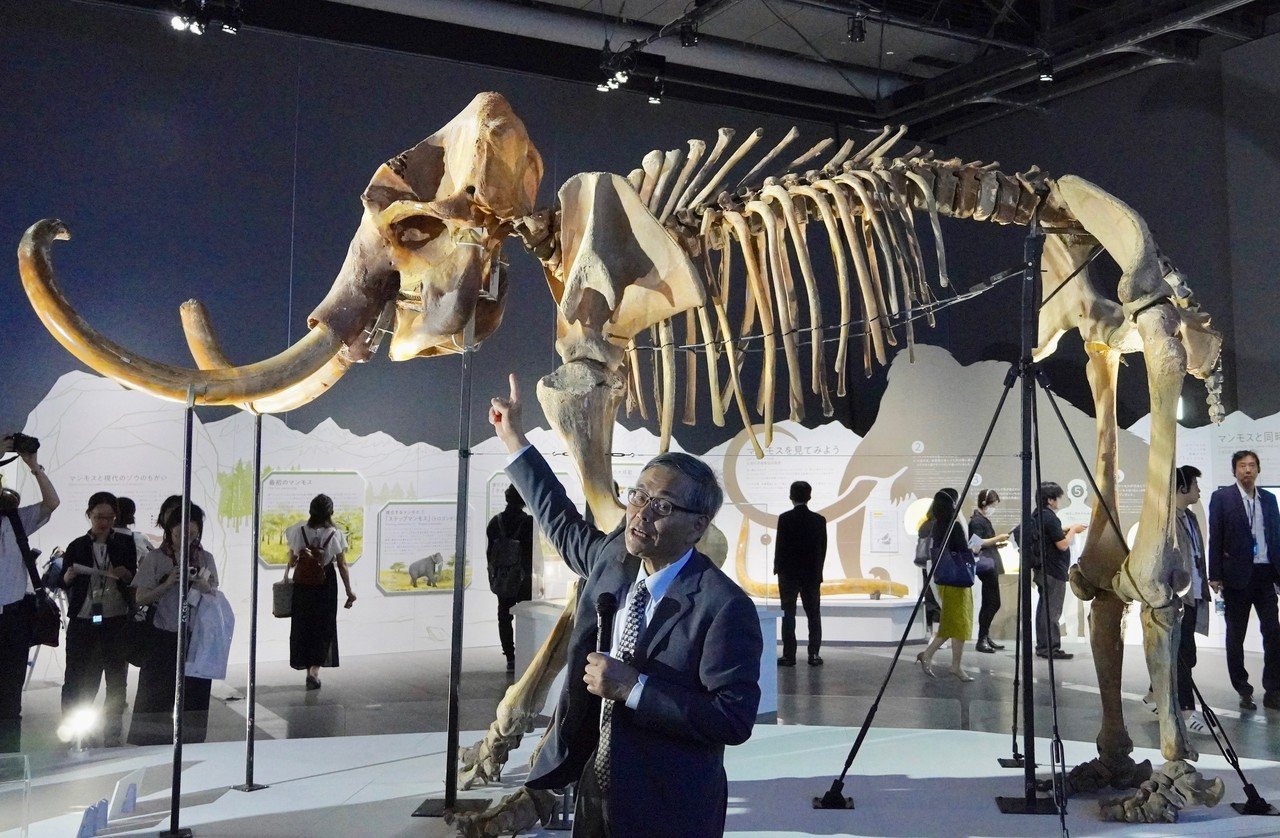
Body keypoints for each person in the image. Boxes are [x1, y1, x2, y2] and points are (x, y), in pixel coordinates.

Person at [489, 374, 762, 837]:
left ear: (698, 527)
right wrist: (513, 438)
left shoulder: (724, 607)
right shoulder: (613, 560)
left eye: (663, 506)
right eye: (639, 496)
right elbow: (559, 520)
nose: (641, 514)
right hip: (595, 792)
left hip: (668, 808)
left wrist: (635, 689)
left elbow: (732, 719)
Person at [129, 503, 218, 745]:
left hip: (195, 639)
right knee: (155, 697)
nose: (186, 539)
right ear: (170, 530)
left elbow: (214, 595)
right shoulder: (156, 558)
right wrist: (167, 583)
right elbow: (140, 598)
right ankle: (149, 747)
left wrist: (204, 585)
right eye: (180, 534)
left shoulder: (205, 558)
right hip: (163, 637)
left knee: (195, 698)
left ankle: (191, 747)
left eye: (192, 534)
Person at [60, 491, 137, 746]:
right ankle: (74, 729)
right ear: (89, 515)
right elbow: (62, 580)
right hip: (84, 617)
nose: (104, 522)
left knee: (116, 678)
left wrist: (125, 574)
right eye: (98, 516)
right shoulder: (77, 545)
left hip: (115, 617)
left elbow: (133, 578)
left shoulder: (124, 544)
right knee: (79, 677)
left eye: (109, 517)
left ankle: (112, 729)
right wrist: (68, 577)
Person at [1208, 450, 1280, 711]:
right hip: (1236, 577)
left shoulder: (1269, 499)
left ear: (1258, 469)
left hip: (1265, 574)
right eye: (1242, 466)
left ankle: (1273, 689)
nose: (1247, 470)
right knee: (1235, 636)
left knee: (1273, 633)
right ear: (1234, 470)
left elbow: (1276, 537)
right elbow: (1215, 536)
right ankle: (1243, 688)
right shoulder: (1222, 498)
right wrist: (1215, 574)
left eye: (1251, 465)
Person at [0, 440, 60, 753]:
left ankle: (8, 760)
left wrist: (33, 466)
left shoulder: (16, 519)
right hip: (11, 615)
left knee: (10, 696)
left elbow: (51, 503)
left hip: (13, 616)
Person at [1143, 466, 1211, 732]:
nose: (1198, 490)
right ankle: (1186, 711)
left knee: (1180, 652)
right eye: (1195, 485)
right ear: (1182, 488)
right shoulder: (1165, 520)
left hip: (1192, 594)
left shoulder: (1189, 518)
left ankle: (1154, 694)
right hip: (1175, 597)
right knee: (1183, 654)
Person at [285, 494, 356, 690]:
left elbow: (292, 560)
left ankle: (308, 668)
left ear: (311, 511)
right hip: (326, 584)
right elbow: (342, 564)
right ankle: (314, 671)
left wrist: (299, 559)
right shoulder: (335, 534)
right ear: (330, 512)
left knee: (304, 626)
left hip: (303, 586)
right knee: (324, 627)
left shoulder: (299, 531)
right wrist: (349, 591)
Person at [915, 489, 976, 682]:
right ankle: (933, 656)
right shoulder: (953, 526)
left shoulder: (935, 526)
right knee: (957, 622)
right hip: (957, 580)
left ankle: (952, 664)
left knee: (955, 622)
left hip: (944, 579)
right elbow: (964, 549)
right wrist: (975, 549)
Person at [774, 480, 828, 666]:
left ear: (791, 496)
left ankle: (789, 655)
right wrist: (818, 572)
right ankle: (814, 654)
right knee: (814, 615)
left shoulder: (785, 518)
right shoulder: (819, 520)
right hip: (811, 575)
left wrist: (777, 568)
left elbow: (780, 547)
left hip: (788, 575)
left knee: (788, 614)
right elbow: (822, 549)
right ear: (809, 497)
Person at [1030, 482, 1086, 661]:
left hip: (1042, 569)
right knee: (1052, 611)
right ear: (1050, 500)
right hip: (1053, 571)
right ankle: (1051, 648)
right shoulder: (1050, 518)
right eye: (1056, 498)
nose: (1058, 502)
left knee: (1043, 609)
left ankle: (1043, 646)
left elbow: (1049, 534)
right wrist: (1073, 531)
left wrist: (1065, 530)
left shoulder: (1037, 515)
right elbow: (1062, 545)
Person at [486, 485, 533, 672]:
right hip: (523, 578)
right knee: (525, 616)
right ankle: (525, 654)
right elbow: (532, 553)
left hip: (503, 577)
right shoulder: (528, 523)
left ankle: (510, 656)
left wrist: (494, 574)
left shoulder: (495, 522)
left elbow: (490, 554)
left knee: (504, 616)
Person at [968, 489, 1009, 654]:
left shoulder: (982, 520)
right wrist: (997, 539)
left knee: (991, 602)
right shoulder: (977, 522)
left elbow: (983, 542)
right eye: (993, 505)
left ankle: (984, 636)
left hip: (991, 563)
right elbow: (975, 544)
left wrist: (996, 544)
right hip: (986, 566)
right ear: (984, 503)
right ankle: (982, 638)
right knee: (991, 602)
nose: (993, 509)